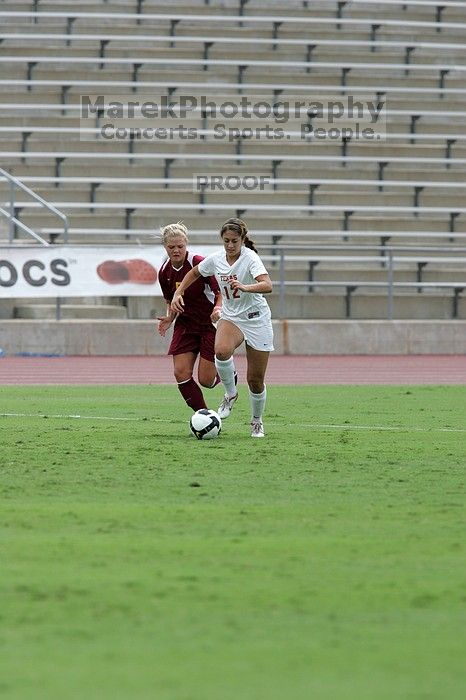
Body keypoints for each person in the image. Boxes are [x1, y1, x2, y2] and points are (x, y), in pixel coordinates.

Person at [171, 217, 273, 438]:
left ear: (242, 240)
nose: (229, 245)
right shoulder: (216, 260)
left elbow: (267, 285)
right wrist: (179, 292)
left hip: (256, 319)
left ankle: (257, 421)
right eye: (226, 240)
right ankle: (230, 393)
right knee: (221, 350)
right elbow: (195, 272)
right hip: (231, 317)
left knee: (255, 380)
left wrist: (246, 287)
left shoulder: (250, 258)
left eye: (234, 241)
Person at [157, 222, 222, 412]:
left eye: (180, 246)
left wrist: (217, 308)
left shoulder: (199, 263)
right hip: (186, 324)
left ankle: (228, 371)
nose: (176, 250)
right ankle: (205, 415)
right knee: (181, 372)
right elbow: (171, 300)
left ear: (186, 244)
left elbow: (220, 292)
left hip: (209, 323)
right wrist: (170, 317)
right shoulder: (164, 272)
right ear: (165, 247)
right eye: (171, 247)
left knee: (206, 381)